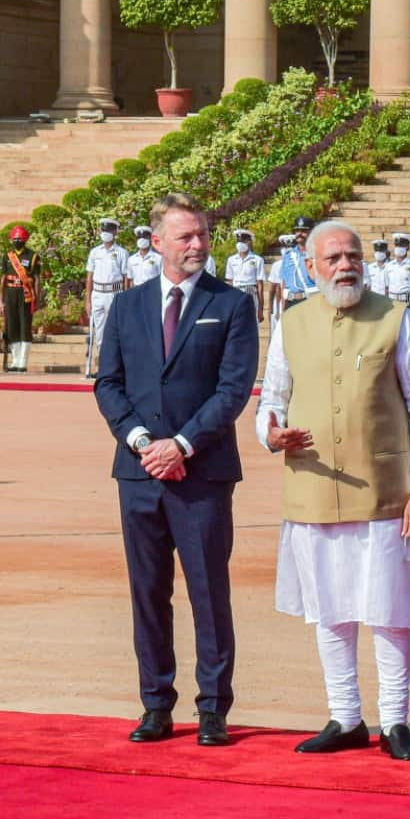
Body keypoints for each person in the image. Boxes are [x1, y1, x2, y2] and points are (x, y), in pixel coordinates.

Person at [256, 219, 410, 762]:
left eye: (353, 256)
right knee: (330, 608)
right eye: (333, 258)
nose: (346, 265)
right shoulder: (291, 322)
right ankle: (345, 717)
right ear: (310, 266)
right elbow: (272, 395)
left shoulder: (395, 318)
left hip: (386, 489)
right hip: (313, 485)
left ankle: (395, 721)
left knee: (389, 608)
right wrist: (270, 434)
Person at [93, 192, 259, 746]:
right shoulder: (127, 306)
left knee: (209, 591)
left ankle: (213, 708)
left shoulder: (231, 305)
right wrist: (143, 441)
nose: (197, 245)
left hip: (202, 472)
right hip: (139, 473)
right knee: (147, 591)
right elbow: (108, 382)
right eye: (185, 236)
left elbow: (232, 389)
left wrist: (181, 445)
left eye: (203, 235)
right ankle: (155, 705)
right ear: (157, 241)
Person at [85, 217, 127, 377]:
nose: (105, 234)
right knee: (100, 332)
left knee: (114, 332)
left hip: (114, 293)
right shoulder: (95, 252)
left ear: (115, 233)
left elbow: (126, 278)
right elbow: (89, 276)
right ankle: (103, 367)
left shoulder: (121, 252)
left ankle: (115, 366)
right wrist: (87, 300)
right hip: (97, 293)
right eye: (103, 231)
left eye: (109, 231)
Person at [0, 225, 41, 372]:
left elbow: (36, 278)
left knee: (25, 327)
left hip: (26, 294)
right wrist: (0, 300)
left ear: (25, 240)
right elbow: (3, 278)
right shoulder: (7, 256)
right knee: (12, 327)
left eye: (20, 238)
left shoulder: (33, 256)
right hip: (11, 292)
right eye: (15, 238)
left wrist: (36, 298)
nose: (17, 241)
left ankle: (23, 361)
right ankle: (15, 360)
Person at [224, 228, 266, 321]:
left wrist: (260, 308)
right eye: (238, 241)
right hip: (235, 292)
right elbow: (229, 282)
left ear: (249, 242)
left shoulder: (257, 260)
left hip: (250, 292)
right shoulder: (231, 260)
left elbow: (260, 285)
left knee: (251, 322)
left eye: (243, 241)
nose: (240, 243)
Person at [384, 232, 410, 316]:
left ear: (408, 247)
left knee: (408, 328)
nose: (399, 247)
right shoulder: (388, 266)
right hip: (392, 301)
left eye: (402, 245)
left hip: (407, 301)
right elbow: (387, 288)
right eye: (397, 245)